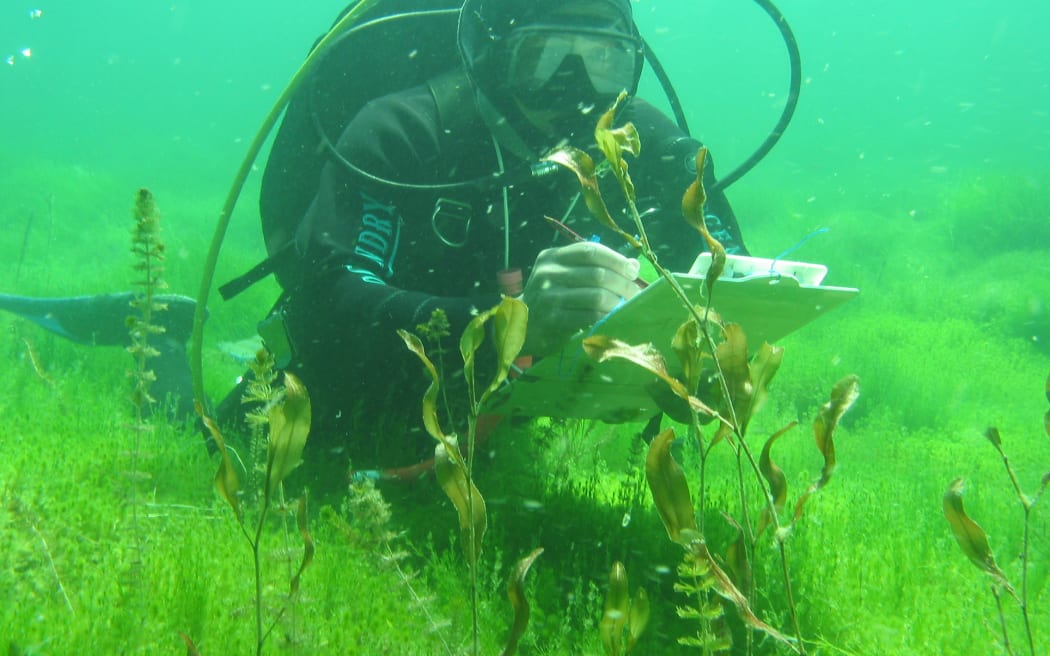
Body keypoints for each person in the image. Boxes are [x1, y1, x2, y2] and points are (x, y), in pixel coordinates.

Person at [257, 0, 749, 477]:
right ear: (492, 53)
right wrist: (507, 326)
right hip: (374, 401)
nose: (573, 87)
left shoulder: (649, 147)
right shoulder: (402, 133)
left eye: (603, 59)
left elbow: (739, 278)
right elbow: (328, 306)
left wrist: (713, 357)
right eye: (542, 55)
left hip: (512, 414)